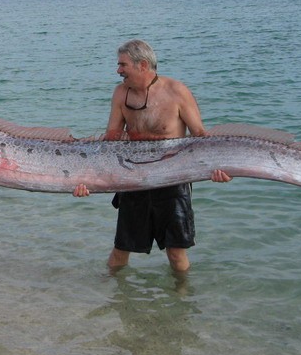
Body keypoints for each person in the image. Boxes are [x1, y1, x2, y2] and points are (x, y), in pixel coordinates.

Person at [73, 39, 231, 273]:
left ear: (143, 65)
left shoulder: (177, 91)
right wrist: (86, 179)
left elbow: (200, 136)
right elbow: (112, 140)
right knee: (121, 249)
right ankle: (113, 299)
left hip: (172, 180)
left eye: (122, 65)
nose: (118, 71)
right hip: (133, 179)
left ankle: (184, 302)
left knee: (176, 253)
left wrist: (217, 170)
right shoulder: (120, 94)